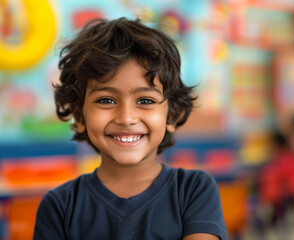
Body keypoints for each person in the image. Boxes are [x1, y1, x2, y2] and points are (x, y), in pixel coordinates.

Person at [33, 17, 227, 240]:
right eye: (106, 100)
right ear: (79, 116)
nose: (126, 118)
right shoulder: (60, 206)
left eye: (145, 101)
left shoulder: (194, 190)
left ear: (171, 116)